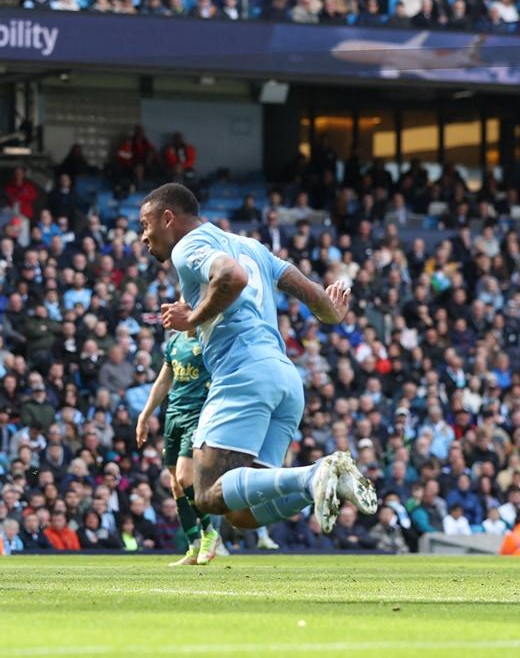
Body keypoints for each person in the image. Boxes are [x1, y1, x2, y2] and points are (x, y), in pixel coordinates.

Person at [137, 183, 375, 537]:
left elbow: (232, 276)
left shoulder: (188, 246)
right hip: (284, 378)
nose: (143, 236)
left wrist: (194, 318)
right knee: (244, 514)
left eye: (145, 224)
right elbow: (316, 299)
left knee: (203, 494)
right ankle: (322, 482)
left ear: (168, 217)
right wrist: (334, 312)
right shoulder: (251, 245)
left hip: (243, 373)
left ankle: (314, 473)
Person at [135, 325, 218, 566]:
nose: (171, 311)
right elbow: (163, 382)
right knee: (175, 483)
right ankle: (193, 546)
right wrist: (145, 415)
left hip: (197, 414)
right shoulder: (174, 342)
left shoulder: (209, 340)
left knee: (184, 477)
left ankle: (210, 532)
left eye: (180, 305)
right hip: (173, 414)